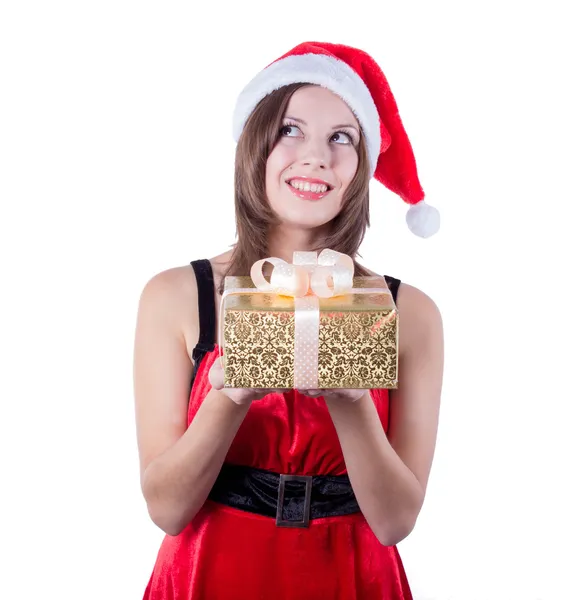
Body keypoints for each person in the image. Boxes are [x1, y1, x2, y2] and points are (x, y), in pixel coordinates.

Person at [133, 41, 444, 600]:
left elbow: (396, 522)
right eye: (290, 129)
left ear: (362, 163)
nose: (315, 157)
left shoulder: (409, 313)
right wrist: (228, 396)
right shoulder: (176, 296)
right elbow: (166, 509)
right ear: (256, 146)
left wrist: (352, 401)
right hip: (211, 573)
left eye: (341, 137)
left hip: (351, 578)